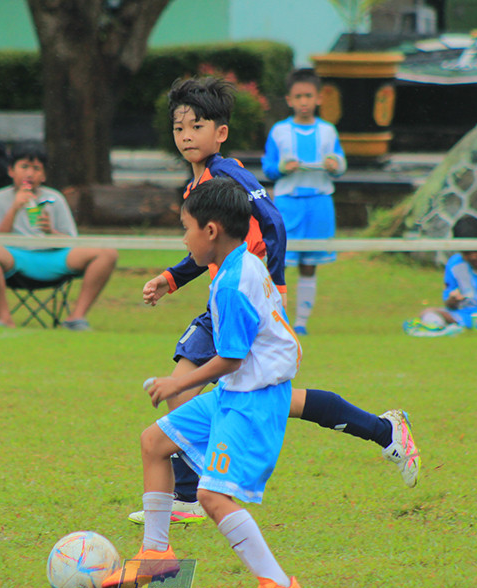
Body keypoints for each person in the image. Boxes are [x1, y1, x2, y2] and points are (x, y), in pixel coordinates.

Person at [129, 76, 420, 527]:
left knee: (214, 394)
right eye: (179, 127)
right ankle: (384, 431)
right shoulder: (199, 185)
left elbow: (273, 222)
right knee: (231, 397)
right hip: (223, 302)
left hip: (246, 302)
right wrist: (172, 277)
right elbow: (208, 246)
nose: (186, 135)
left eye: (196, 125)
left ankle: (197, 490)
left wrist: (276, 286)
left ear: (219, 133)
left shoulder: (227, 174)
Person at [102, 177, 304, 588]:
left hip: (254, 399)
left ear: (210, 231)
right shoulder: (237, 265)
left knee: (212, 496)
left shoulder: (232, 282)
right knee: (154, 442)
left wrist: (177, 383)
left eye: (185, 227)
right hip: (237, 391)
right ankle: (155, 555)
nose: (184, 237)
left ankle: (278, 585)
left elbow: (231, 357)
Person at [0, 143, 118, 331]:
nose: (29, 174)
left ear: (44, 175)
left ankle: (76, 317)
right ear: (11, 171)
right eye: (24, 167)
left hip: (52, 258)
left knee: (107, 253)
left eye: (36, 168)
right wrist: (14, 209)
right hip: (14, 257)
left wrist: (51, 232)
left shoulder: (54, 198)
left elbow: (72, 241)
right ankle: (4, 317)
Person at [262, 68, 346, 336]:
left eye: (308, 96)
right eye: (298, 96)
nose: (304, 102)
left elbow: (340, 164)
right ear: (289, 100)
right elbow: (269, 168)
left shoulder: (328, 131)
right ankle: (278, 320)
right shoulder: (279, 131)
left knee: (310, 263)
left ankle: (301, 323)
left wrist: (336, 165)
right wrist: (282, 168)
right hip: (288, 203)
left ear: (319, 98)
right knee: (281, 261)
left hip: (319, 203)